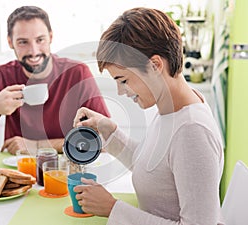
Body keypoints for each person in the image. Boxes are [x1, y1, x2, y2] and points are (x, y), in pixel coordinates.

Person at [72, 7, 224, 225]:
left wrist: (113, 209)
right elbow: (155, 169)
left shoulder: (191, 131)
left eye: (123, 80)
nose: (120, 92)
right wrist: (108, 130)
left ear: (155, 65)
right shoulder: (172, 109)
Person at [0, 6, 110, 155]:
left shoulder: (77, 73)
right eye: (23, 42)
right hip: (18, 169)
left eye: (40, 40)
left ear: (51, 37)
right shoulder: (1, 76)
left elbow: (105, 140)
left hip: (66, 168)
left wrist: (38, 146)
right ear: (10, 42)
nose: (33, 51)